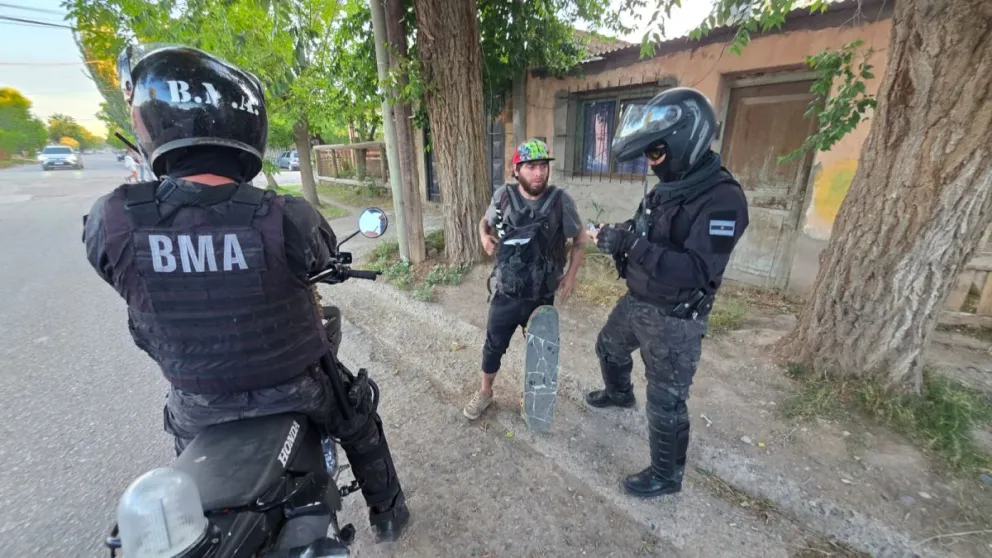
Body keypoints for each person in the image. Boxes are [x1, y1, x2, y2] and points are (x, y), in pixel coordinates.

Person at [81, 43, 409, 542]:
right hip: (298, 388)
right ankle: (388, 515)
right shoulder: (285, 216)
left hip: (198, 403)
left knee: (187, 458)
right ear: (245, 126)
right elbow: (323, 261)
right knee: (359, 413)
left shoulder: (113, 219)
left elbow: (116, 275)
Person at [584, 87, 749, 498]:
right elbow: (645, 229)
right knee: (608, 347)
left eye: (656, 154)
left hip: (675, 318)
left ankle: (666, 476)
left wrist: (632, 246)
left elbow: (695, 270)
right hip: (639, 300)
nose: (652, 163)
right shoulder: (670, 186)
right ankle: (620, 395)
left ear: (684, 142)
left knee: (666, 400)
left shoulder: (723, 200)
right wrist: (616, 234)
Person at [463, 138, 586, 420]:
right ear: (516, 170)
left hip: (541, 295)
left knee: (541, 351)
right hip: (506, 292)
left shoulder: (560, 201)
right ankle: (485, 392)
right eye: (531, 167)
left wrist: (570, 276)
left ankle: (534, 398)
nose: (539, 173)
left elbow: (579, 237)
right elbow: (485, 221)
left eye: (543, 166)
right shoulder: (503, 196)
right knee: (494, 345)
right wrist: (484, 236)